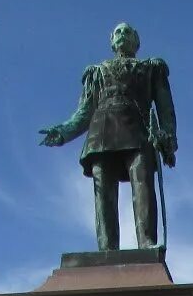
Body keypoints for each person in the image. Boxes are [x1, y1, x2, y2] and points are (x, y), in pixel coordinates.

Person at [39, 22, 177, 252]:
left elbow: (166, 109)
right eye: (118, 32)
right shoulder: (97, 72)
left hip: (138, 132)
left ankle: (146, 244)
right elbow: (84, 112)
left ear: (137, 41)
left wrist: (168, 138)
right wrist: (63, 131)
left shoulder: (151, 69)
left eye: (128, 32)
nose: (122, 35)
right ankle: (106, 249)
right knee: (103, 191)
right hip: (101, 134)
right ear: (112, 41)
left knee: (143, 185)